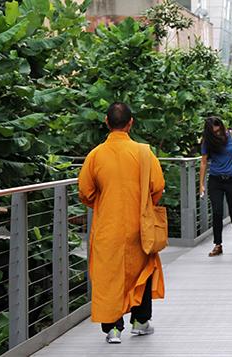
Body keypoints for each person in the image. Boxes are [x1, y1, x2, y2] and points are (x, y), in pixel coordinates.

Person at [78, 102, 166, 344]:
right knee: (143, 270)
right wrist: (143, 204)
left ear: (106, 122)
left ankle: (113, 329)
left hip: (108, 225)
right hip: (139, 224)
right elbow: (157, 188)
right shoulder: (143, 153)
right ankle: (140, 321)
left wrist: (104, 202)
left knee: (109, 275)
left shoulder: (96, 155)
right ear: (131, 123)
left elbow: (85, 192)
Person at [199, 116, 232, 257]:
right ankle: (218, 244)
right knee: (217, 212)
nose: (218, 133)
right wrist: (201, 184)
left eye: (219, 130)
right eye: (214, 132)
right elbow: (203, 162)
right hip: (215, 180)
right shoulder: (207, 142)